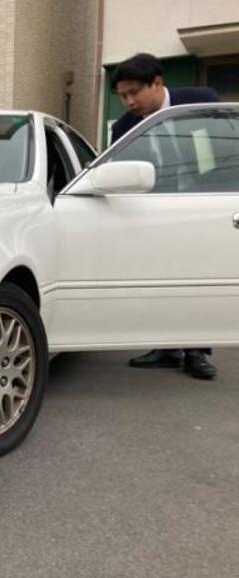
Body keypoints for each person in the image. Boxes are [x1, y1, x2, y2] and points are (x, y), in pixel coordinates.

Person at [110, 52, 219, 380]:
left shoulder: (199, 102)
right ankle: (166, 348)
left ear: (157, 83)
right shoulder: (124, 127)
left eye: (134, 93)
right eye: (123, 96)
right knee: (159, 281)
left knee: (198, 281)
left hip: (203, 208)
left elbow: (220, 151)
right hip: (155, 215)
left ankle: (197, 352)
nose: (129, 102)